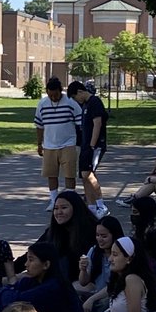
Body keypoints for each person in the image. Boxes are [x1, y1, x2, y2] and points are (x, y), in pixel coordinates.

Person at [34, 76, 82, 210]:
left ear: (61, 91)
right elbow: (39, 125)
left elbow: (80, 123)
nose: (54, 98)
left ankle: (71, 201)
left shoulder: (70, 103)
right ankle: (54, 200)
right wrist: (39, 144)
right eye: (50, 95)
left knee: (69, 174)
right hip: (49, 145)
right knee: (51, 174)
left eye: (56, 95)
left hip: (68, 143)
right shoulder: (42, 104)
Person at [66, 80, 108, 219]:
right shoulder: (84, 105)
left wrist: (92, 144)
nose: (75, 100)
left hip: (94, 146)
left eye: (74, 97)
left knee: (89, 175)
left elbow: (98, 124)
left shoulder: (94, 102)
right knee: (84, 176)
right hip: (85, 145)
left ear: (80, 92)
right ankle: (91, 207)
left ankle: (101, 206)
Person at [45, 190, 98, 283]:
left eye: (64, 207)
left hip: (86, 281)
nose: (59, 212)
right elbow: (36, 251)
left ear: (76, 208)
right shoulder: (54, 230)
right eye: (56, 208)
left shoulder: (92, 230)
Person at [75, 215, 123, 312]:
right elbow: (83, 282)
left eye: (104, 236)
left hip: (112, 294)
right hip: (96, 293)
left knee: (106, 303)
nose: (100, 239)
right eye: (97, 235)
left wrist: (92, 299)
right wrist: (83, 269)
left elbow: (114, 285)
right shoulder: (94, 251)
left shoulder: (122, 254)